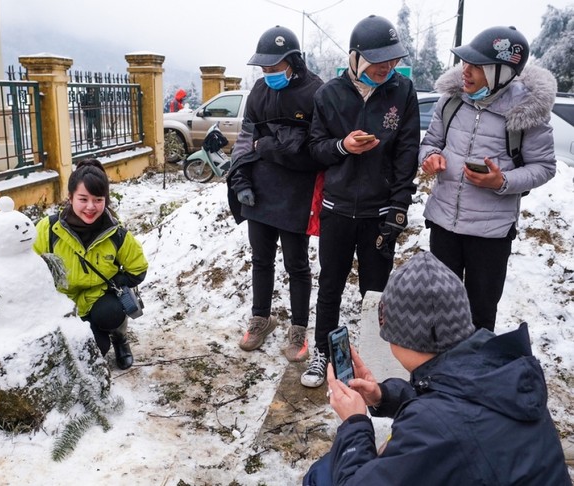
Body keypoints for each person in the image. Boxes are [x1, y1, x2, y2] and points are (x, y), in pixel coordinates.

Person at [303, 251, 571, 486]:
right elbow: (457, 405)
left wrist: (354, 423)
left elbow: (445, 421)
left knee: (323, 475)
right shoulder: (500, 363)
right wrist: (383, 396)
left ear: (402, 335)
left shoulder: (434, 426)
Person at [303, 15, 419, 387]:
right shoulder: (329, 94)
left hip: (379, 212)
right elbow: (315, 149)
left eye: (392, 60)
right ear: (355, 58)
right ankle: (323, 350)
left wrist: (399, 206)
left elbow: (406, 152)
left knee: (376, 290)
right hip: (337, 209)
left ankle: (374, 353)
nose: (387, 67)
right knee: (330, 286)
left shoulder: (403, 91)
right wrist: (343, 146)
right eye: (378, 60)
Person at [420, 26, 557, 332]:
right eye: (465, 63)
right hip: (444, 224)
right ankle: (439, 374)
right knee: (441, 306)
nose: (464, 72)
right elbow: (430, 142)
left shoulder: (527, 113)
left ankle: (473, 375)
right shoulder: (451, 101)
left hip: (490, 235)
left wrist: (502, 182)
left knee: (480, 314)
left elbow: (545, 167)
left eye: (476, 66)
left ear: (501, 73)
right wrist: (429, 158)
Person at [226, 25, 324, 362]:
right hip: (260, 192)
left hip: (297, 194)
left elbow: (313, 150)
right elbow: (244, 141)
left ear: (293, 61)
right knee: (260, 260)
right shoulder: (258, 93)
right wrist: (240, 182)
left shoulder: (315, 93)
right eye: (264, 69)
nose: (269, 75)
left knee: (297, 265)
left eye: (275, 68)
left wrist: (270, 144)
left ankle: (299, 328)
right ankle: (260, 318)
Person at [33, 159, 148, 370]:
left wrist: (112, 285)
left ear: (106, 200)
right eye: (83, 199)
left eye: (98, 199)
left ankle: (119, 338)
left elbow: (138, 268)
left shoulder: (116, 233)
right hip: (61, 304)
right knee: (75, 355)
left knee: (102, 335)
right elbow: (28, 267)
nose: (90, 207)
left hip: (98, 299)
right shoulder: (48, 229)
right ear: (70, 198)